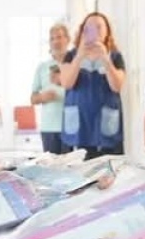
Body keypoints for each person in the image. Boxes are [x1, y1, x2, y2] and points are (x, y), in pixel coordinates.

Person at [58, 12, 126, 160]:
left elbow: (117, 86)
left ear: (107, 31)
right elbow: (67, 83)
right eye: (88, 27)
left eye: (99, 27)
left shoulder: (115, 57)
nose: (94, 31)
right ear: (82, 32)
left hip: (105, 128)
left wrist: (105, 60)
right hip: (78, 128)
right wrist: (80, 56)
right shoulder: (71, 56)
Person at [30, 23, 69, 154]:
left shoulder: (75, 65)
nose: (55, 41)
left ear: (67, 39)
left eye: (59, 37)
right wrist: (42, 97)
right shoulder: (42, 67)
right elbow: (33, 98)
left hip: (71, 127)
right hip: (48, 128)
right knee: (51, 170)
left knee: (73, 169)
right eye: (52, 39)